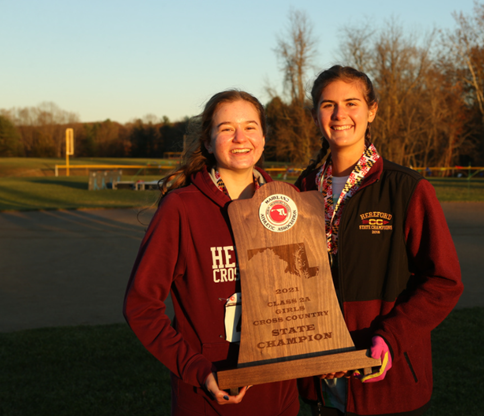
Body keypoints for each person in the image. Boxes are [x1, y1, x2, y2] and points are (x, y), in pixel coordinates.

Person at [294, 66, 463, 416]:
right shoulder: (301, 189)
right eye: (328, 105)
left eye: (351, 103)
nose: (340, 115)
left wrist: (391, 337)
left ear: (372, 110)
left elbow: (444, 281)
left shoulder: (406, 189)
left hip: (386, 379)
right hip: (319, 377)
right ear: (315, 116)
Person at [123, 90, 299, 416]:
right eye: (227, 128)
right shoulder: (181, 208)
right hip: (212, 392)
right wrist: (197, 369)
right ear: (207, 141)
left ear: (263, 137)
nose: (240, 137)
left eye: (250, 126)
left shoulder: (287, 202)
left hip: (280, 391)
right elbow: (140, 305)